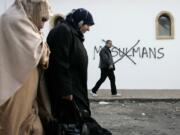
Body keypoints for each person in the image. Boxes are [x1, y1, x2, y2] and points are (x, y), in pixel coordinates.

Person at [45, 8, 112, 135]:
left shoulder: (72, 33)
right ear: (80, 22)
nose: (88, 29)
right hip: (68, 98)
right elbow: (60, 62)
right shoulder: (63, 31)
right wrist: (66, 92)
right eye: (87, 24)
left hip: (75, 93)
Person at [0, 0, 50, 134]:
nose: (43, 24)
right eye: (42, 19)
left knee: (30, 121)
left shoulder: (22, 21)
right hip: (15, 83)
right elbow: (38, 52)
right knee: (13, 123)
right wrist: (43, 46)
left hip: (26, 79)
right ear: (33, 8)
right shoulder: (13, 20)